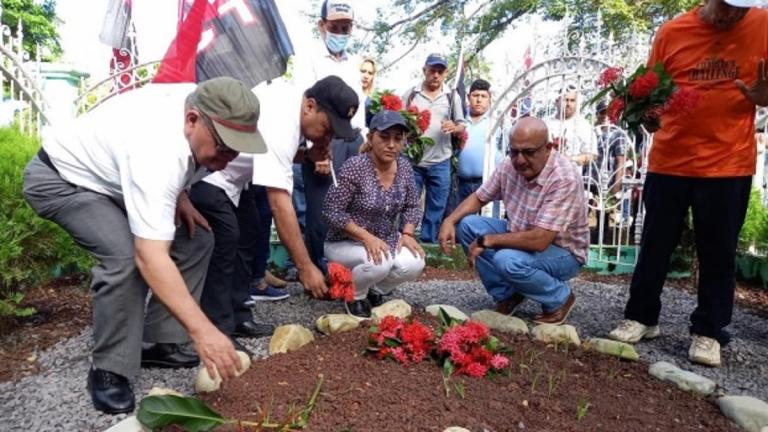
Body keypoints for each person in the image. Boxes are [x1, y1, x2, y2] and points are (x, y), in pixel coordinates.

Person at [22, 77, 260, 414]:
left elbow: (171, 163)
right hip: (61, 180)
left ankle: (160, 343)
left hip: (114, 181)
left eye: (238, 148)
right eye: (224, 147)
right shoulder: (157, 150)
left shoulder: (201, 103)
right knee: (124, 257)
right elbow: (150, 257)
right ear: (192, 120)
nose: (230, 157)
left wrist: (180, 194)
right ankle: (109, 368)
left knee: (197, 239)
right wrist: (203, 331)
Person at [608, 0, 768, 368]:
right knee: (655, 245)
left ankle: (709, 332)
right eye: (729, 5)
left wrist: (765, 99)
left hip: (728, 163)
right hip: (670, 160)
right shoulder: (673, 31)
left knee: (719, 252)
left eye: (743, 8)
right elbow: (651, 94)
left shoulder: (763, 26)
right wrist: (646, 115)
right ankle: (641, 317)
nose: (735, 14)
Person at [438, 117, 589, 325]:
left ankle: (560, 298)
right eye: (514, 151)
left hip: (564, 252)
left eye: (529, 152)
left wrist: (488, 240)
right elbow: (480, 197)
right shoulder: (509, 166)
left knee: (507, 260)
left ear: (548, 148)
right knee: (467, 226)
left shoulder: (564, 177)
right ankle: (508, 294)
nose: (520, 160)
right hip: (523, 235)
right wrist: (449, 220)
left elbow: (540, 240)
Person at [251, 75, 361, 300]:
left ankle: (242, 295)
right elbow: (280, 205)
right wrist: (305, 267)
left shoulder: (296, 107)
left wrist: (308, 155)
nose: (329, 138)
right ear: (310, 106)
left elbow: (276, 157)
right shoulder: (283, 122)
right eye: (328, 128)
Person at [323, 110, 426, 318]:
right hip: (345, 241)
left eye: (398, 139)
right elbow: (331, 210)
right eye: (384, 137)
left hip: (385, 239)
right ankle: (355, 295)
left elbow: (412, 206)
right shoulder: (356, 166)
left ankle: (374, 290)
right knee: (379, 263)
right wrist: (365, 237)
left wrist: (407, 233)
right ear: (370, 138)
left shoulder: (404, 167)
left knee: (415, 262)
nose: (391, 145)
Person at [295, 0, 367, 274]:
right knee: (322, 208)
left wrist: (364, 142)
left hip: (352, 139)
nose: (340, 33)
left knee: (353, 204)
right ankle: (319, 270)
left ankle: (349, 270)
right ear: (321, 26)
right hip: (323, 139)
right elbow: (306, 108)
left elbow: (357, 107)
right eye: (334, 27)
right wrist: (316, 150)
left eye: (345, 28)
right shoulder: (308, 59)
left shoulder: (354, 62)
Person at [402, 53, 467, 243]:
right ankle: (403, 242)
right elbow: (398, 122)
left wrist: (454, 127)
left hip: (441, 161)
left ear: (445, 73)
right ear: (425, 70)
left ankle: (428, 244)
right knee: (408, 204)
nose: (436, 75)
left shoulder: (452, 97)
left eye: (440, 71)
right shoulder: (411, 94)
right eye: (432, 70)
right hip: (413, 161)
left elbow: (462, 125)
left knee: (436, 207)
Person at [456, 78, 504, 203]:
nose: (479, 100)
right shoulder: (459, 120)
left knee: (488, 215)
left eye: (483, 96)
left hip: (489, 184)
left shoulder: (498, 121)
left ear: (490, 99)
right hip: (461, 185)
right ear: (468, 97)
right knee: (459, 215)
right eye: (475, 95)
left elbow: (508, 150)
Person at [545, 86, 597, 167]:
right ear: (557, 101)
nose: (568, 104)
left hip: (572, 172)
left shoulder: (583, 125)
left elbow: (592, 155)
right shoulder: (546, 123)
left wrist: (571, 159)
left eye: (572, 100)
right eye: (565, 100)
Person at [361, 57, 377, 127]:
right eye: (363, 71)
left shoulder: (372, 103)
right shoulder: (345, 94)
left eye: (370, 73)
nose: (366, 76)